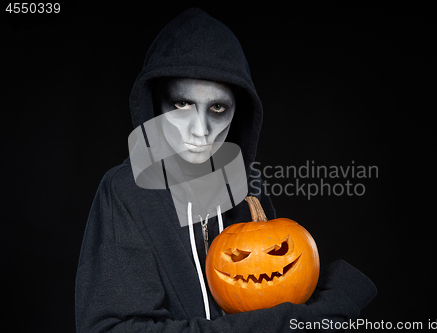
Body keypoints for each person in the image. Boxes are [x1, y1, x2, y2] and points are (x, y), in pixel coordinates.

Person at [75, 8, 377, 332]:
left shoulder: (248, 189)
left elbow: (276, 290)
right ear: (156, 103)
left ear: (239, 113)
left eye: (218, 108)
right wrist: (291, 322)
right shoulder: (126, 191)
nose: (200, 130)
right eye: (181, 104)